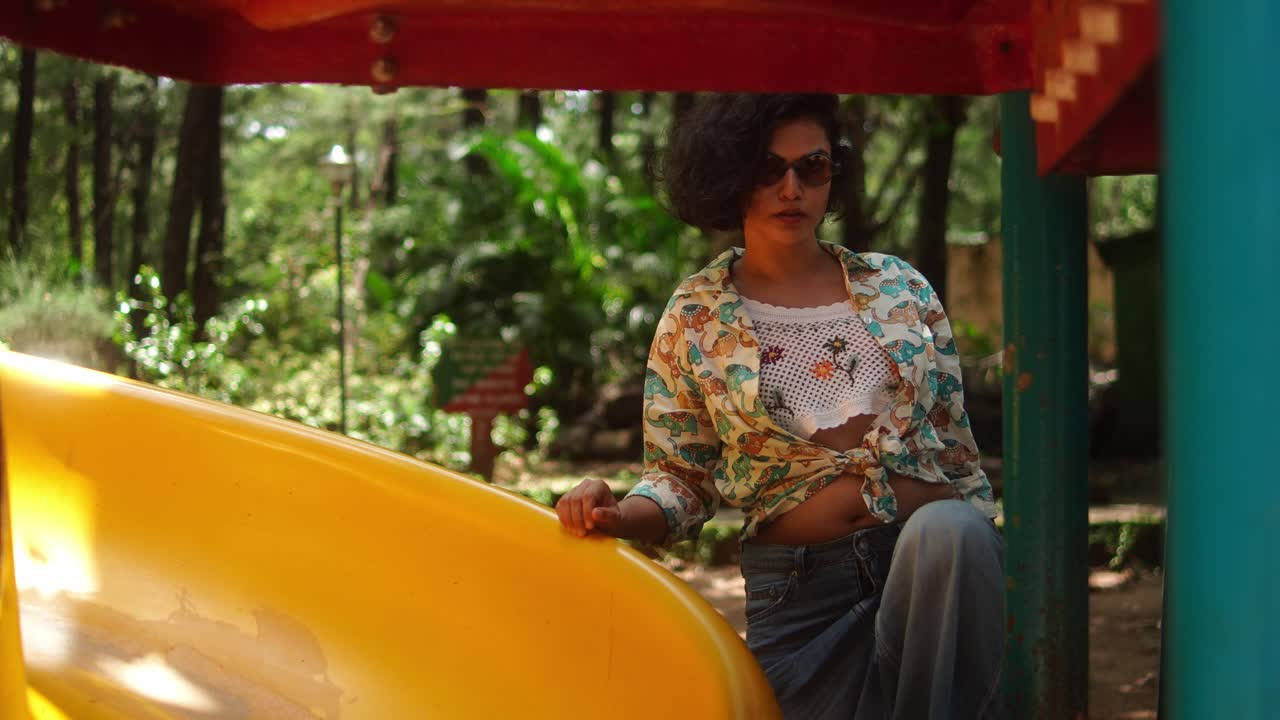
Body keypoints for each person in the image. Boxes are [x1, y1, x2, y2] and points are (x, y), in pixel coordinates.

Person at [555, 94, 1005, 719]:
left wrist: (992, 571)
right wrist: (615, 514)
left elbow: (957, 454)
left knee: (952, 529)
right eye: (767, 169)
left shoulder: (901, 288)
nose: (790, 187)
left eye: (811, 166)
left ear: (833, 173)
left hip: (935, 571)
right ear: (729, 176)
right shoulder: (695, 315)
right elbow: (681, 478)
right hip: (802, 596)